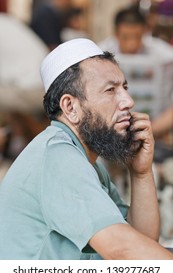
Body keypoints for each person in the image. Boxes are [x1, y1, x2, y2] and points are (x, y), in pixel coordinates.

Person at [0, 38, 173, 260]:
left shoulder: (88, 162)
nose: (128, 101)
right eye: (111, 90)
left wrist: (140, 173)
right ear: (70, 107)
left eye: (125, 88)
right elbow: (123, 250)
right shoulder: (58, 157)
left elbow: (141, 244)